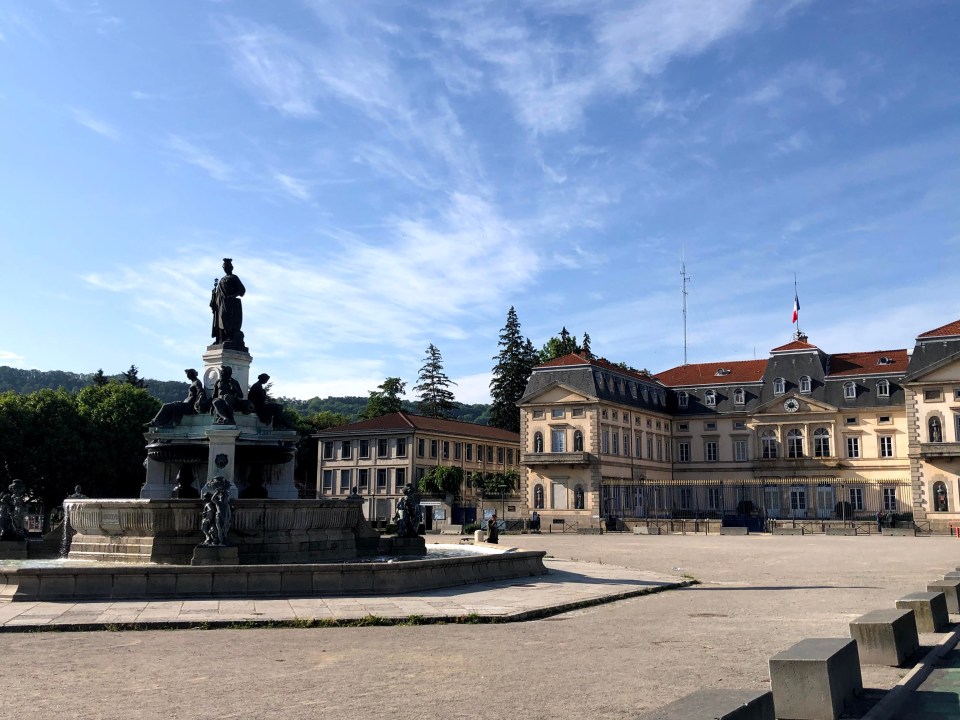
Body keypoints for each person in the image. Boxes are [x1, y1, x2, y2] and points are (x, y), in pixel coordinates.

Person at [210, 258, 246, 346]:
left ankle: (230, 336)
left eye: (226, 266)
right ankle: (220, 339)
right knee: (219, 320)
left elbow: (242, 290)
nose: (225, 268)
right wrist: (214, 294)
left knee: (225, 318)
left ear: (231, 267)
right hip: (221, 303)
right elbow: (219, 293)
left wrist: (233, 295)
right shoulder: (221, 280)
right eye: (224, 267)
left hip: (230, 304)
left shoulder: (234, 277)